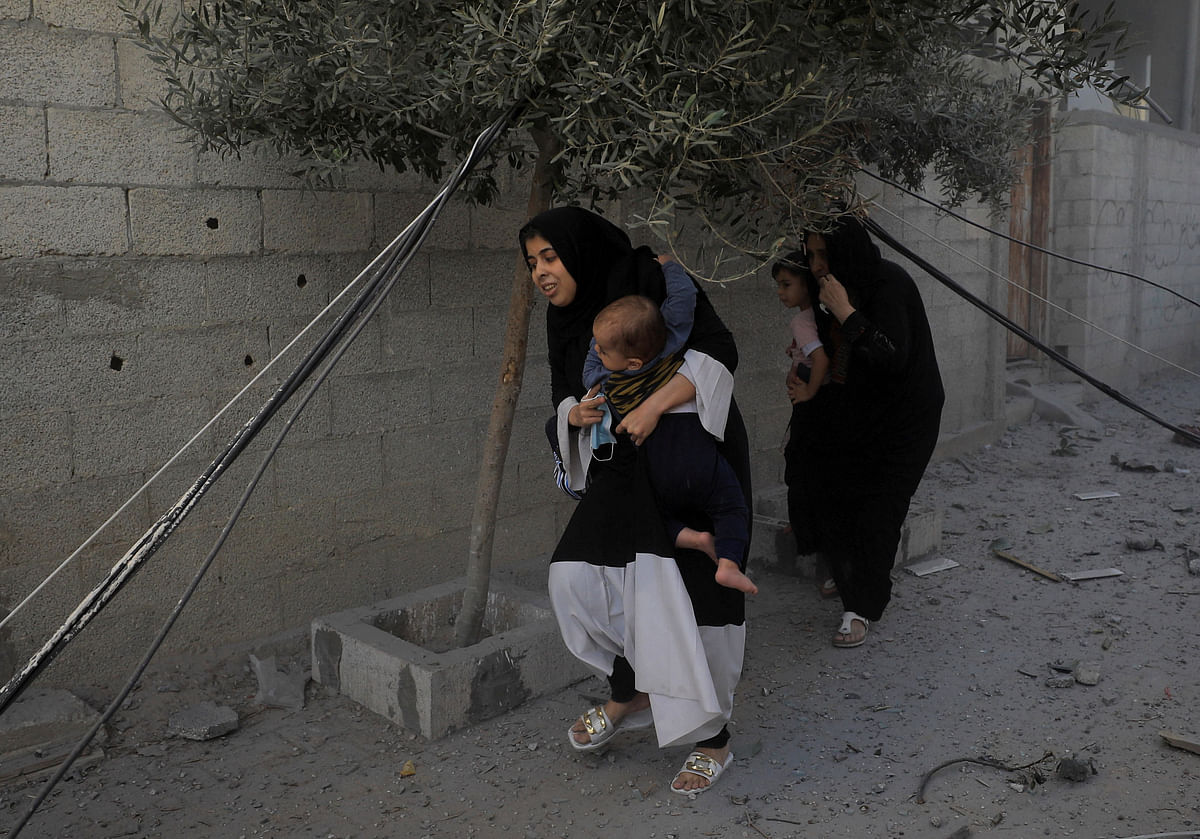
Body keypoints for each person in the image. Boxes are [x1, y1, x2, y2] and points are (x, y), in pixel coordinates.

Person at [520, 206, 751, 797]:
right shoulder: (563, 318)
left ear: (579, 249)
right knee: (584, 578)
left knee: (700, 597)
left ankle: (712, 739)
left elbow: (719, 351)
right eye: (532, 263)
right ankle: (638, 690)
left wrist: (652, 406)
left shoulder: (648, 276)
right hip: (622, 471)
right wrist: (574, 414)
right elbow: (562, 395)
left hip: (691, 456)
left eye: (550, 257)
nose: (541, 272)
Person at [802, 215, 945, 648]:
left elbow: (891, 357)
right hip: (860, 412)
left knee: (880, 509)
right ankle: (848, 576)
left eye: (823, 255)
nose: (816, 266)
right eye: (810, 256)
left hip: (906, 419)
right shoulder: (827, 288)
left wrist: (846, 311)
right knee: (837, 492)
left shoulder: (888, 285)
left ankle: (861, 606)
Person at [590, 293, 757, 595]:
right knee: (733, 507)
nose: (596, 351)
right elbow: (682, 305)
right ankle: (729, 564)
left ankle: (694, 539)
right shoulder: (677, 364)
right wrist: (671, 266)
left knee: (644, 517)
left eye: (602, 350)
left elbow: (593, 386)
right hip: (702, 463)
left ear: (632, 363)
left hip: (658, 473)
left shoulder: (615, 390)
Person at [771, 251, 834, 597]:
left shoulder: (801, 321)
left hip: (811, 410)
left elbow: (821, 359)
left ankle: (810, 534)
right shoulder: (817, 317)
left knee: (800, 467)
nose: (781, 292)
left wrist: (808, 390)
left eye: (787, 284)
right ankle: (804, 524)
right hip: (821, 411)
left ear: (807, 285)